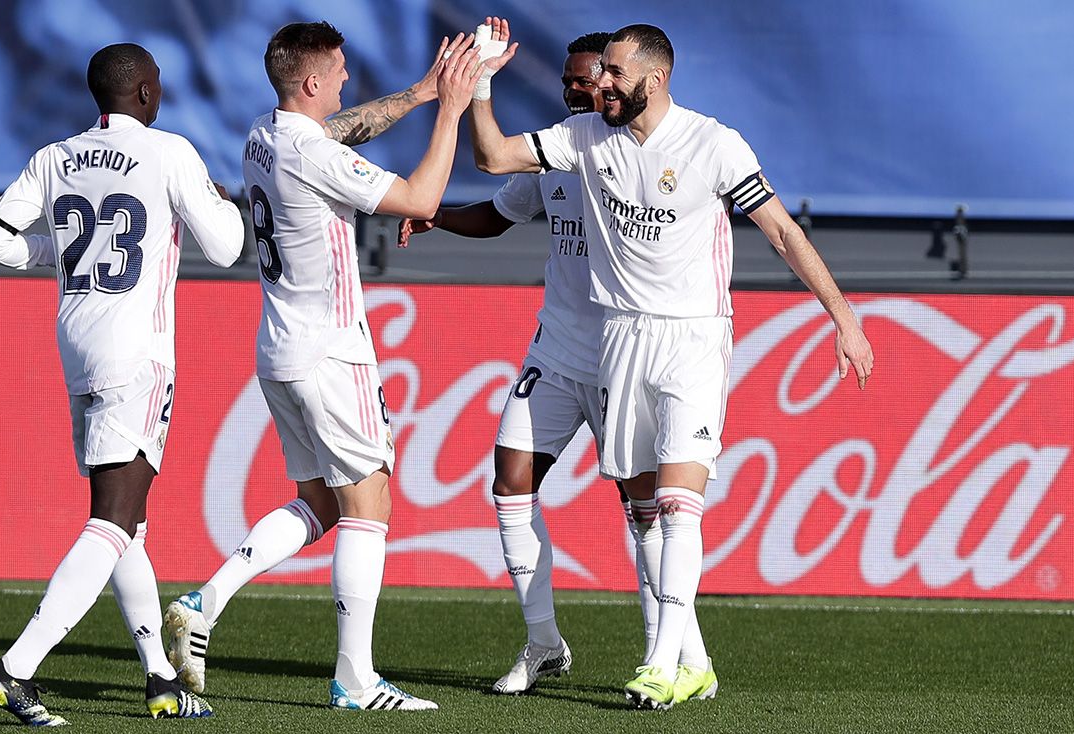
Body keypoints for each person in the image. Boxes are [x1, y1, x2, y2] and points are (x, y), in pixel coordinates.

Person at [466, 18, 874, 709]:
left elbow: (780, 230)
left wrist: (844, 316)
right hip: (620, 340)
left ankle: (662, 663)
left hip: (692, 339)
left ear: (654, 79)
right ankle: (695, 663)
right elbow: (493, 160)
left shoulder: (713, 143)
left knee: (682, 502)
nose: (601, 84)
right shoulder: (585, 137)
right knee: (648, 511)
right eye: (600, 74)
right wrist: (479, 83)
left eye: (614, 73)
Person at [162, 22, 483, 711]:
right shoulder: (309, 150)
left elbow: (339, 131)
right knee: (369, 507)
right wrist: (452, 110)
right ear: (310, 82)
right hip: (333, 352)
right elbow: (422, 199)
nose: (345, 82)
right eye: (336, 72)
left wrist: (422, 92)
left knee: (319, 502)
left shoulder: (263, 134)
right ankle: (355, 680)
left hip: (279, 347)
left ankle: (203, 604)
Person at [399, 30, 708, 696]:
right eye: (567, 82)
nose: (575, 91)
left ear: (615, 82)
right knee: (511, 478)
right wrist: (440, 219)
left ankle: (682, 656)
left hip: (629, 351)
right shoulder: (557, 151)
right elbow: (503, 211)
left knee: (648, 509)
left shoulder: (640, 151)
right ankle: (543, 643)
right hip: (558, 349)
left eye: (587, 80)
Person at [0, 42, 245, 726]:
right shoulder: (169, 152)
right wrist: (222, 198)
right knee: (113, 521)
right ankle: (16, 668)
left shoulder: (54, 157)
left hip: (77, 346)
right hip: (138, 353)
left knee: (129, 526)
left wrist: (57, 255)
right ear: (147, 94)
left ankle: (157, 677)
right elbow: (228, 247)